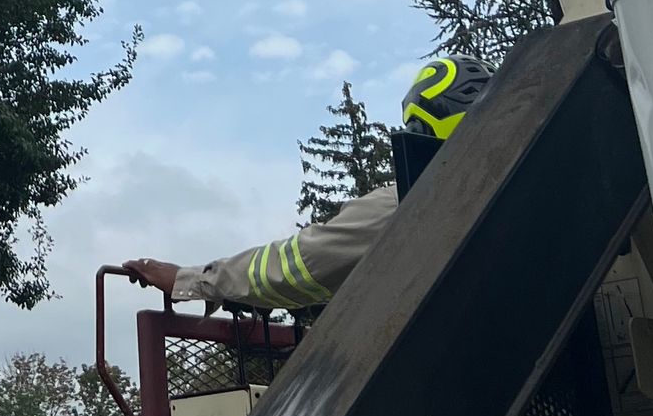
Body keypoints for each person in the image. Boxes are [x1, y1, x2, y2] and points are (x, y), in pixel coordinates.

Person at [122, 52, 495, 313]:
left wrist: (192, 280)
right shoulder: (534, 188)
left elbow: (298, 264)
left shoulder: (411, 204)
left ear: (421, 124)